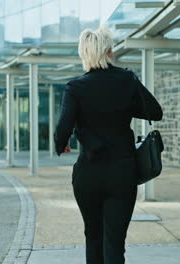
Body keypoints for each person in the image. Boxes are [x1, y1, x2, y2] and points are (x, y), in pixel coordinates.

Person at [54, 25, 163, 264]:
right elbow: (155, 112)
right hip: (122, 172)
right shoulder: (127, 79)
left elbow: (62, 131)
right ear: (110, 52)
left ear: (84, 54)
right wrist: (123, 105)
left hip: (89, 173)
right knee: (114, 242)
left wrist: (62, 144)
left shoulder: (75, 88)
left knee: (93, 237)